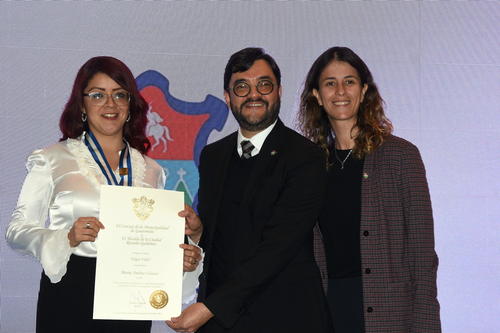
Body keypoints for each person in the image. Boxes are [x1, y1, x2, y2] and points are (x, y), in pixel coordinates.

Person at [5, 56, 202, 333]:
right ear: (82, 104)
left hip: (131, 296)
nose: (110, 104)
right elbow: (17, 230)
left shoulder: (153, 170)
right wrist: (65, 237)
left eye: (119, 95)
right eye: (98, 94)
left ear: (130, 105)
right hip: (71, 290)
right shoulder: (51, 159)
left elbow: (154, 241)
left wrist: (180, 258)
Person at [166, 48, 332, 333]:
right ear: (228, 97)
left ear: (279, 91)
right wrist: (197, 234)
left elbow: (278, 247)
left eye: (264, 85)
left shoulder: (306, 157)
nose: (254, 94)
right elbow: (230, 237)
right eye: (242, 87)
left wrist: (210, 307)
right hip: (222, 322)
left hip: (286, 315)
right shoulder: (213, 156)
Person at [298, 46, 441, 332]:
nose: (340, 91)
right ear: (317, 95)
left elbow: (422, 254)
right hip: (326, 310)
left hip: (390, 314)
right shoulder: (307, 164)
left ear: (364, 90)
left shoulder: (401, 156)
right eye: (330, 83)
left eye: (349, 81)